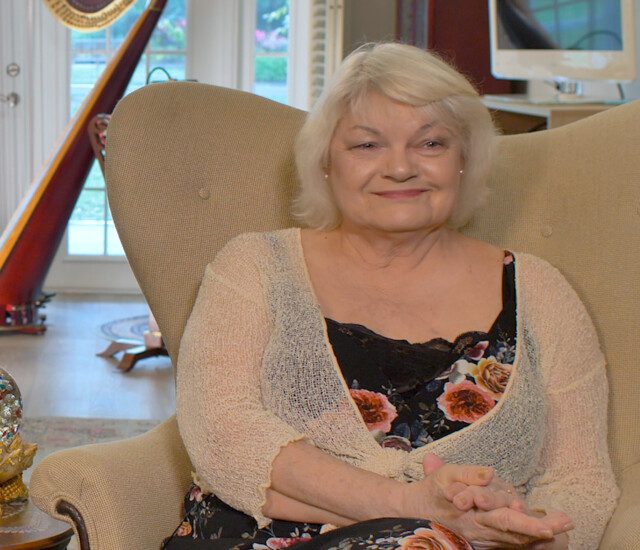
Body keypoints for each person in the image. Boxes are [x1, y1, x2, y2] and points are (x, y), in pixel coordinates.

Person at [163, 42, 618, 550]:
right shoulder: (254, 267)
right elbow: (223, 436)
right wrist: (413, 506)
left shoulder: (541, 292)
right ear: (326, 163)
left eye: (430, 145)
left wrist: (520, 535)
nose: (400, 168)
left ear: (465, 160)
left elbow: (581, 482)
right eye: (366, 145)